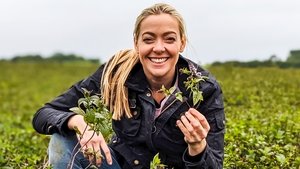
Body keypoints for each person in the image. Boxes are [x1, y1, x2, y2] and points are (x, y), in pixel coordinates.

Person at [32, 3, 225, 169]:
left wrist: (197, 146)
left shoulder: (204, 89)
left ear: (182, 43)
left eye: (169, 39)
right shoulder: (116, 73)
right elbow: (44, 114)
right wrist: (80, 123)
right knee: (61, 140)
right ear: (136, 43)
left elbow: (215, 164)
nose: (158, 48)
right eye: (148, 39)